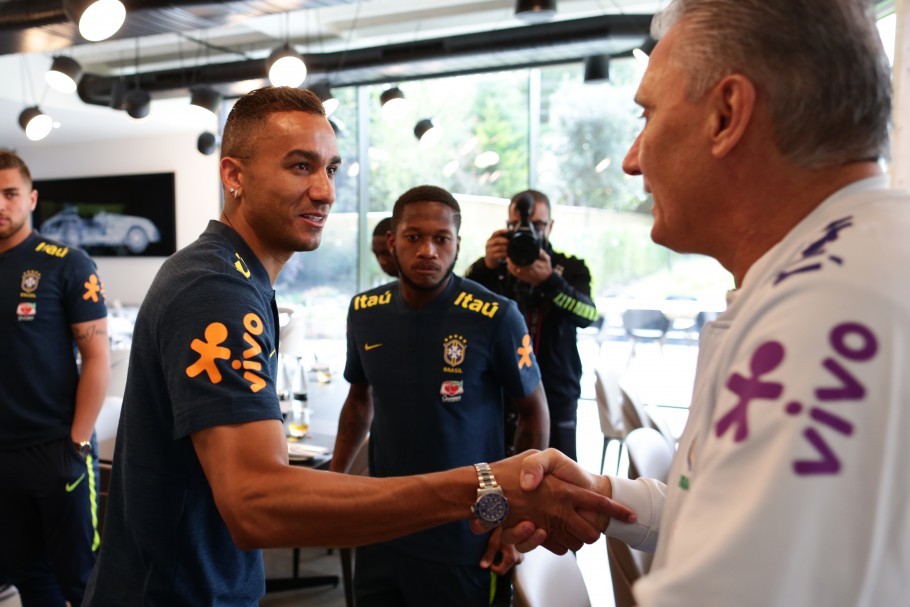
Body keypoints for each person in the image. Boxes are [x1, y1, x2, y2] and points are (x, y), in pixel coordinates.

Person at [83, 87, 635, 606]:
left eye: (331, 169)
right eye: (300, 166)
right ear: (235, 175)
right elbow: (256, 502)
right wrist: (486, 484)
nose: (324, 189)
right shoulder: (215, 287)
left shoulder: (238, 279)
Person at [511, 0, 910, 605]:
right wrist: (599, 492)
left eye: (647, 115)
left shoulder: (820, 317)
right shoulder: (842, 266)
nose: (632, 158)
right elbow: (724, 511)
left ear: (727, 114)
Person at [331, 185, 550, 606]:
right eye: (414, 237)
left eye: (441, 239)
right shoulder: (364, 311)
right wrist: (332, 485)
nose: (428, 250)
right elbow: (359, 400)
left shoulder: (496, 315)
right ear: (392, 243)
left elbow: (534, 412)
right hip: (382, 527)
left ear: (457, 244)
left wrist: (516, 516)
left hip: (465, 532)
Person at [0, 151, 110, 606]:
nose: (0, 204)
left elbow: (97, 358)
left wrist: (78, 442)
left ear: (32, 198)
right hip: (3, 455)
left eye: (9, 194)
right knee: (28, 575)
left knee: (84, 579)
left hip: (58, 447)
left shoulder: (67, 262)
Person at [467, 190, 597, 460]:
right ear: (506, 227)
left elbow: (588, 315)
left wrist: (550, 282)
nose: (528, 232)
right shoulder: (494, 267)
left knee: (559, 477)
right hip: (498, 395)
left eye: (537, 226)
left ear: (550, 226)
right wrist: (486, 268)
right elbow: (462, 306)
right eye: (517, 226)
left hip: (556, 393)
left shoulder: (569, 268)